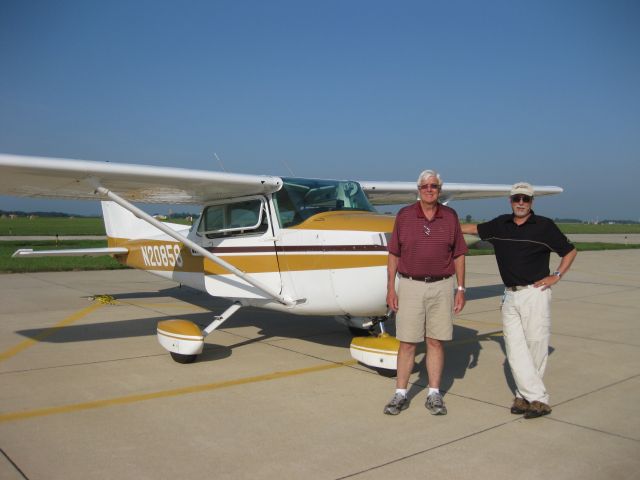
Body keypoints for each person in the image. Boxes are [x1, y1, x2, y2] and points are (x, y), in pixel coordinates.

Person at [460, 182, 577, 419]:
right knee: (514, 349)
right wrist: (440, 223)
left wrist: (556, 276)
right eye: (516, 199)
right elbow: (472, 228)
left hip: (535, 292)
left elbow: (569, 251)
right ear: (510, 201)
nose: (520, 203)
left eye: (525, 199)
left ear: (532, 202)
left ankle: (530, 399)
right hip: (510, 295)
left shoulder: (544, 226)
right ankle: (531, 397)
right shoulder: (501, 224)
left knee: (536, 344)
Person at [384, 170, 467, 416]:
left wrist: (460, 288)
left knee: (435, 341)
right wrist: (391, 288)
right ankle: (400, 393)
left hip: (442, 285)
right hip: (410, 285)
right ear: (418, 189)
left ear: (439, 189)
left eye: (434, 186)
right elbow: (394, 254)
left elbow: (459, 254)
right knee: (408, 342)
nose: (429, 189)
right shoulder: (405, 215)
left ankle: (434, 393)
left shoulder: (450, 216)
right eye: (425, 186)